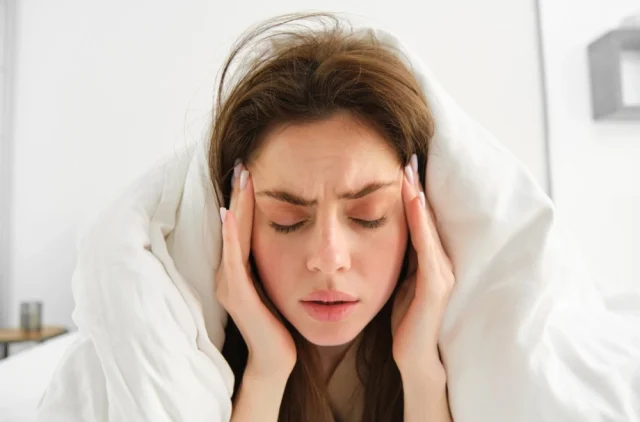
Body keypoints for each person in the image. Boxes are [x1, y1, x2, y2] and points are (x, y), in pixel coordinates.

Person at [210, 12, 455, 422]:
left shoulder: (465, 347)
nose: (328, 258)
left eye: (368, 216)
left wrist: (421, 372)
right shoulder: (195, 353)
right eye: (286, 219)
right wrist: (266, 372)